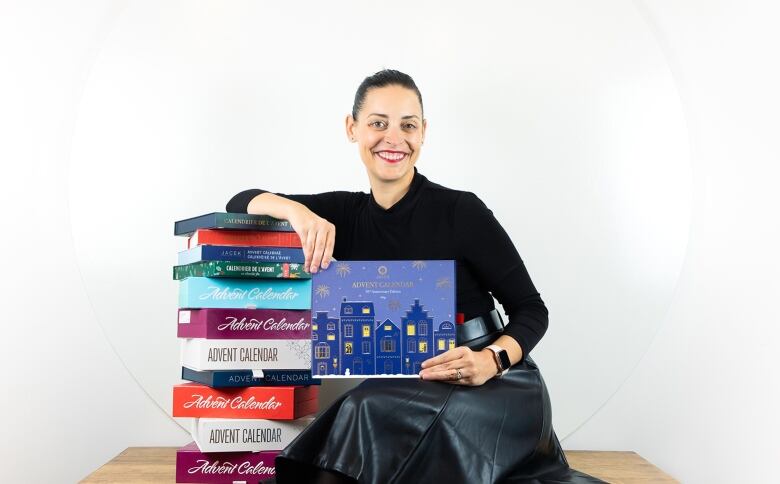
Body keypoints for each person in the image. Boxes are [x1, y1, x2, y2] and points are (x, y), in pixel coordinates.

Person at [226, 70, 604, 484]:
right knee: (369, 410)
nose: (394, 138)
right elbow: (239, 202)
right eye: (377, 123)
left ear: (423, 133)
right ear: (352, 129)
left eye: (408, 125)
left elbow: (533, 309)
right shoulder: (344, 215)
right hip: (411, 389)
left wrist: (490, 360)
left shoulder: (461, 211)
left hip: (493, 385)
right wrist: (295, 212)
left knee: (364, 407)